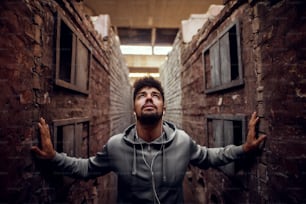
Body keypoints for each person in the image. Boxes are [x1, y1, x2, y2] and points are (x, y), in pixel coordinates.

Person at [31, 76, 266, 204]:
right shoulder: (116, 146)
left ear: (164, 108)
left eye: (155, 96)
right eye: (142, 96)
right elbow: (86, 168)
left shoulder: (182, 142)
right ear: (134, 109)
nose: (149, 99)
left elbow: (211, 156)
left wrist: (244, 149)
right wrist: (54, 158)